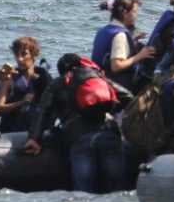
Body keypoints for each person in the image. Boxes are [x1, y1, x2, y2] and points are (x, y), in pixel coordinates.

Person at [24, 53, 135, 193]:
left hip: (80, 137)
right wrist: (113, 110)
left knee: (83, 190)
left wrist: (33, 138)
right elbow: (128, 97)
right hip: (108, 133)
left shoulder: (59, 82)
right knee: (119, 186)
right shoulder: (99, 78)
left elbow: (42, 110)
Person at [92, 0, 155, 93]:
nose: (136, 15)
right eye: (134, 12)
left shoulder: (104, 30)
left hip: (97, 81)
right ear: (125, 13)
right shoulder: (120, 35)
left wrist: (132, 40)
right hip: (113, 88)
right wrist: (140, 55)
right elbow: (116, 66)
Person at [0, 36, 51, 134]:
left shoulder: (43, 77)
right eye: (16, 54)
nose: (19, 59)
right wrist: (22, 102)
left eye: (24, 54)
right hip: (12, 130)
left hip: (34, 129)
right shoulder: (9, 78)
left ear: (34, 55)